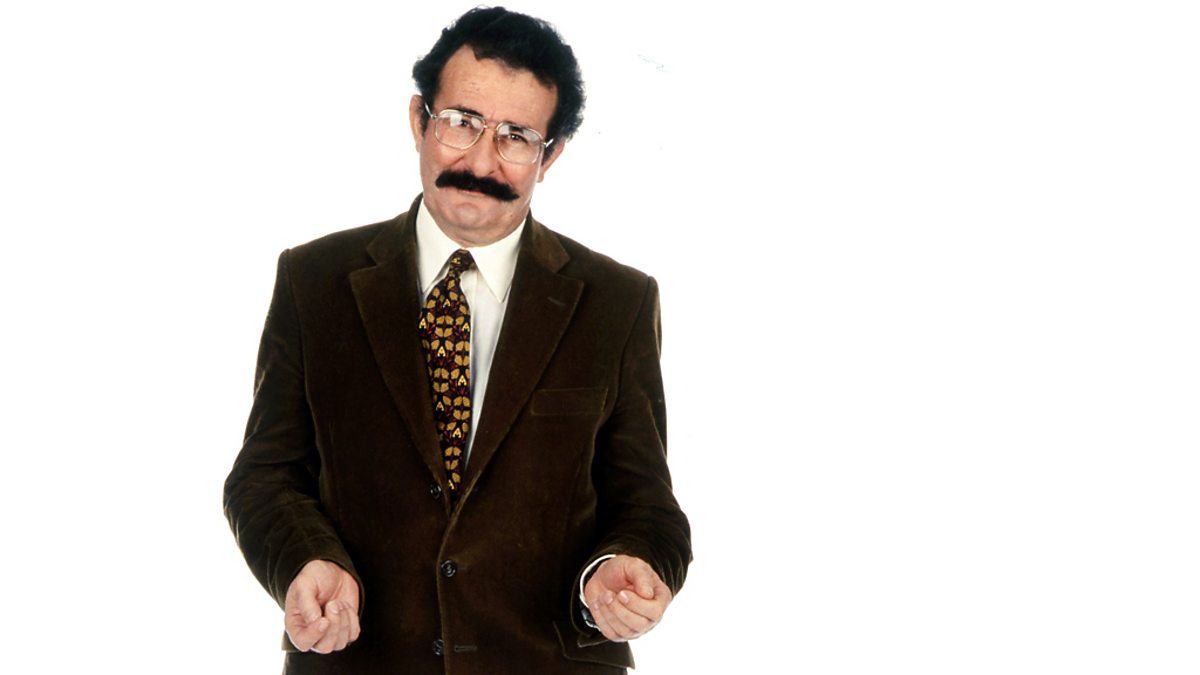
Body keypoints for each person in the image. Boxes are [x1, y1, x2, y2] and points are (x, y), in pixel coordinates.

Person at [224, 7, 691, 674]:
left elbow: (648, 505)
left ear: (551, 155)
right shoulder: (314, 280)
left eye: (517, 136)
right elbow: (265, 474)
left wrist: (622, 564)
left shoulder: (617, 301)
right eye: (462, 122)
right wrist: (305, 559)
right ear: (419, 120)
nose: (481, 161)